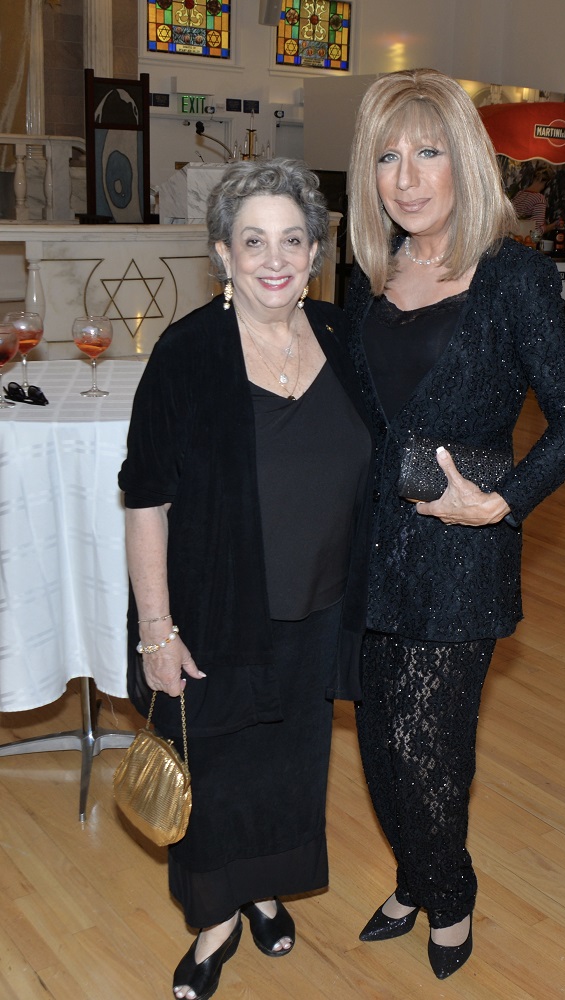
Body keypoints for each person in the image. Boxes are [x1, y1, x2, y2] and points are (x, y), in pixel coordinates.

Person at [345, 68, 565, 981]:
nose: (407, 177)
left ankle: (450, 894)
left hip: (461, 550)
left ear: (464, 161)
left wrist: (504, 501)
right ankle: (415, 875)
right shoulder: (369, 276)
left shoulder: (514, 279)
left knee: (430, 750)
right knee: (378, 740)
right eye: (387, 156)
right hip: (372, 547)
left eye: (427, 153)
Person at [118, 158, 372, 1000]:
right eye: (253, 239)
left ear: (315, 251)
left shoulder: (341, 336)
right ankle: (216, 921)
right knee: (219, 770)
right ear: (222, 253)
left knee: (292, 762)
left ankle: (264, 890)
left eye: (292, 239)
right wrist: (157, 629)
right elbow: (144, 496)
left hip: (319, 609)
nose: (275, 257)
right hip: (214, 615)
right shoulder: (187, 353)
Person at [511, 167, 557, 235]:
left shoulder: (519, 194)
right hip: (525, 240)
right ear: (547, 183)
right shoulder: (539, 199)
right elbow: (536, 231)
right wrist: (553, 226)